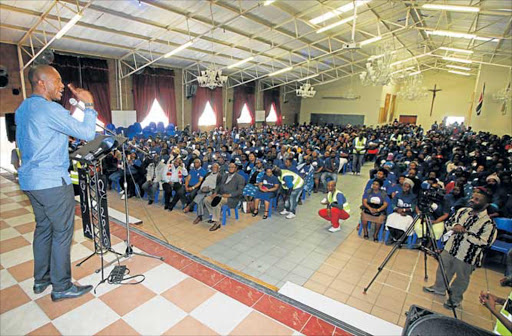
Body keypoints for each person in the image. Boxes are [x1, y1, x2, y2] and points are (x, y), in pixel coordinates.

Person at [15, 65, 96, 301]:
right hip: (51, 181)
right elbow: (87, 133)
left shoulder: (23, 108)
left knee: (43, 229)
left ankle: (42, 279)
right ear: (41, 82)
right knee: (62, 232)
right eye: (57, 81)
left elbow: (59, 130)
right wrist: (89, 105)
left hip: (31, 180)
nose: (62, 86)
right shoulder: (49, 108)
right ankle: (61, 286)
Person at [423, 188, 497, 309]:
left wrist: (465, 233)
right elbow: (448, 223)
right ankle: (439, 288)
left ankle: (455, 299)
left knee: (461, 279)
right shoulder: (462, 211)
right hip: (450, 248)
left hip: (467, 256)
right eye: (472, 197)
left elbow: (486, 242)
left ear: (486, 204)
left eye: (477, 199)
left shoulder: (488, 224)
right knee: (443, 269)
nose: (472, 200)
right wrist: (455, 226)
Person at [204, 163, 245, 231]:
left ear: (236, 168)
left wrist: (229, 195)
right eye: (229, 167)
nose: (231, 168)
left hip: (232, 198)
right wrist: (215, 192)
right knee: (206, 200)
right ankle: (215, 216)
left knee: (217, 202)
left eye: (232, 167)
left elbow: (240, 191)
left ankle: (217, 223)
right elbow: (218, 185)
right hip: (221, 195)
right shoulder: (224, 176)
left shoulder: (240, 178)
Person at [385, 178, 417, 244]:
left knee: (404, 224)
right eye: (404, 186)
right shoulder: (398, 194)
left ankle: (401, 239)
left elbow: (413, 208)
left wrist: (404, 210)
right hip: (397, 212)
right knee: (391, 219)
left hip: (407, 214)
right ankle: (393, 237)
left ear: (410, 188)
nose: (405, 188)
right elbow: (393, 204)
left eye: (407, 187)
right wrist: (397, 210)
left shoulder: (413, 197)